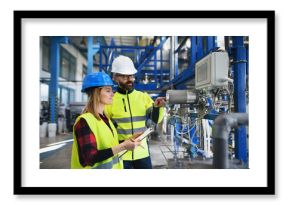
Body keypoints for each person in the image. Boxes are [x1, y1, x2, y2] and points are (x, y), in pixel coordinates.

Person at [105, 55, 166, 169]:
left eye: (131, 76)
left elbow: (156, 119)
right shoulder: (110, 100)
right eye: (124, 76)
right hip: (121, 153)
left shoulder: (143, 97)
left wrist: (158, 108)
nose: (129, 79)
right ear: (115, 77)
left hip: (142, 152)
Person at [71, 72, 141, 169]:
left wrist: (127, 141)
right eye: (108, 91)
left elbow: (109, 146)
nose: (112, 94)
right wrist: (123, 146)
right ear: (96, 93)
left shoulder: (105, 119)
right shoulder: (84, 122)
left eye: (112, 90)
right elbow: (90, 158)